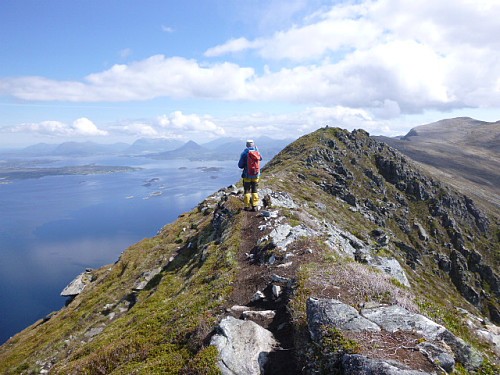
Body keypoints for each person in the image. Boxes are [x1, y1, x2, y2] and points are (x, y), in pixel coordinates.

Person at [238, 139, 262, 211]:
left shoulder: (245, 153)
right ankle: (255, 206)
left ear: (246, 145)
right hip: (256, 175)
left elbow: (240, 165)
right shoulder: (257, 152)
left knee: (247, 190)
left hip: (247, 175)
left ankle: (247, 206)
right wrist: (256, 149)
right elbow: (260, 158)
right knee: (254, 189)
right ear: (253, 145)